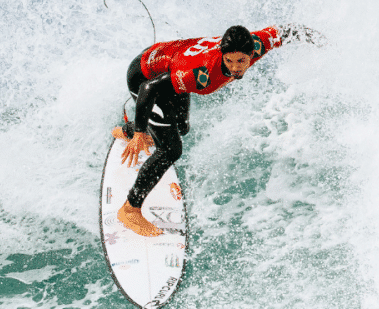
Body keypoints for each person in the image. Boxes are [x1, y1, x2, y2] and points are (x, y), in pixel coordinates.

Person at [113, 23, 324, 236]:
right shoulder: (201, 73)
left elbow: (288, 30)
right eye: (229, 61)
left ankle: (128, 131)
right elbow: (148, 89)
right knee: (171, 149)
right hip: (145, 77)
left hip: (169, 65)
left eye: (241, 61)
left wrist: (325, 44)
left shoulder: (259, 43)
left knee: (181, 127)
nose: (235, 68)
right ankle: (130, 210)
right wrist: (141, 131)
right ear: (222, 55)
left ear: (253, 53)